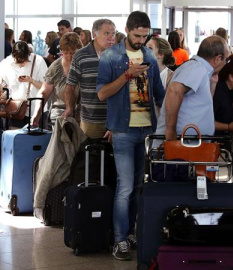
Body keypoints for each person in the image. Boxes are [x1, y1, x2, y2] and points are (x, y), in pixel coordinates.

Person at [97, 11, 165, 261]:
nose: (141, 40)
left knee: (137, 186)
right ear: (127, 30)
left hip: (146, 130)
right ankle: (119, 239)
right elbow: (102, 94)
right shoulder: (111, 57)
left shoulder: (148, 55)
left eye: (145, 36)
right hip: (123, 131)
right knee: (125, 187)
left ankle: (131, 232)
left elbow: (159, 93)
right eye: (137, 35)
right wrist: (128, 75)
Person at [155, 35, 230, 142]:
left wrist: (213, 82)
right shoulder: (197, 68)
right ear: (218, 59)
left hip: (190, 145)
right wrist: (170, 131)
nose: (225, 64)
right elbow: (175, 90)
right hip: (180, 146)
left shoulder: (200, 69)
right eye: (226, 60)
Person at [62, 18, 116, 139]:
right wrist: (69, 107)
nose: (111, 37)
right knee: (90, 155)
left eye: (113, 33)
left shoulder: (119, 56)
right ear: (94, 34)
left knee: (114, 156)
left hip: (115, 119)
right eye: (106, 33)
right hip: (90, 119)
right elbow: (70, 85)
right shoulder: (81, 55)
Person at [32, 32, 83, 128]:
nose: (69, 57)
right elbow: (44, 92)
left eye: (73, 53)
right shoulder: (55, 67)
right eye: (65, 53)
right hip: (59, 115)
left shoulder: (85, 65)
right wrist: (37, 113)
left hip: (82, 115)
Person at [0, 41, 48, 129]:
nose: (22, 64)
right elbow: (1, 82)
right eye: (18, 61)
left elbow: (46, 86)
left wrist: (31, 80)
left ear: (28, 54)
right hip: (15, 110)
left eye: (24, 61)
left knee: (37, 141)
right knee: (16, 139)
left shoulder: (38, 61)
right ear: (13, 56)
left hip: (35, 109)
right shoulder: (6, 63)